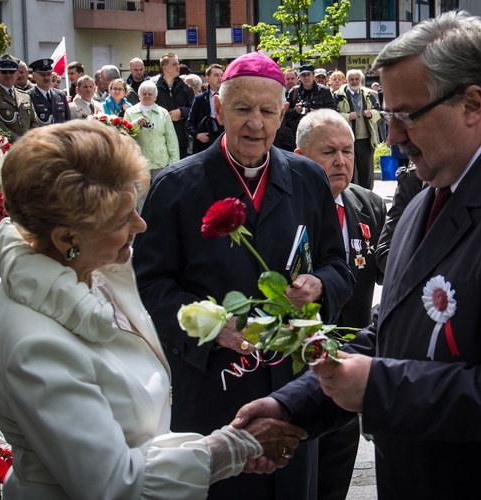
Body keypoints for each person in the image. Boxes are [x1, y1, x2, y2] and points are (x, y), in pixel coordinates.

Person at [233, 11, 481, 499]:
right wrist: (294, 405)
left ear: (472, 103)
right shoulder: (427, 199)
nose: (392, 136)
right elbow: (392, 334)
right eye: (387, 114)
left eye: (405, 115)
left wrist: (378, 388)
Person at [0, 120, 306, 499]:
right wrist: (229, 448)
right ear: (67, 238)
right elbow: (115, 483)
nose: (141, 223)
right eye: (122, 219)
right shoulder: (36, 345)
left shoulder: (91, 272)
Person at [132, 51, 354, 500]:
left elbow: (337, 265)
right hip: (213, 385)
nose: (256, 123)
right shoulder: (175, 187)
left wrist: (320, 286)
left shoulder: (309, 179)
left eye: (267, 111)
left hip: (292, 388)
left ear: (282, 112)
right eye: (242, 109)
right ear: (218, 109)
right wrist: (214, 326)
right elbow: (149, 286)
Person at [295, 109, 386, 500]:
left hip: (348, 375)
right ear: (299, 156)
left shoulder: (368, 204)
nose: (341, 161)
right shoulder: (286, 210)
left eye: (348, 151)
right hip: (294, 373)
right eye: (328, 152)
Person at [334, 69, 381, 190]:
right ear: (347, 80)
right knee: (350, 171)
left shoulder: (369, 94)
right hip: (347, 140)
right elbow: (334, 115)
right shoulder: (338, 95)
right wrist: (347, 116)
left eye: (357, 79)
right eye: (351, 79)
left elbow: (379, 111)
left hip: (366, 139)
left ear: (361, 80)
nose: (354, 82)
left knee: (367, 172)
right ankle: (351, 196)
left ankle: (368, 197)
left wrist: (371, 114)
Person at [124, 80, 179, 182]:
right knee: (141, 197)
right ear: (139, 96)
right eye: (144, 94)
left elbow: (171, 138)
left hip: (160, 162)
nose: (147, 96)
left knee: (161, 195)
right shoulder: (130, 112)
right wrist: (135, 124)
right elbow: (124, 136)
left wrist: (174, 162)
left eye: (150, 94)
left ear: (155, 97)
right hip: (140, 162)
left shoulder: (164, 113)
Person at [0, 54, 39, 142]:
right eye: (4, 72)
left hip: (27, 146)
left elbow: (34, 121)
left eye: (11, 72)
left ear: (16, 73)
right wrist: (18, 141)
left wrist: (29, 140)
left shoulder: (24, 96)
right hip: (5, 148)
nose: (8, 75)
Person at [279, 63, 336, 151]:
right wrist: (295, 110)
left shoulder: (324, 91)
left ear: (313, 75)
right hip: (297, 134)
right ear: (299, 77)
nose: (306, 78)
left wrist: (318, 113)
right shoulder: (293, 92)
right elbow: (284, 114)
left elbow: (333, 112)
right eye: (303, 75)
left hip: (318, 132)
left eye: (308, 75)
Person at [155, 52, 194, 159]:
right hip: (160, 138)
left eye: (178, 64)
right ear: (164, 68)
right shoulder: (154, 88)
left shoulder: (186, 88)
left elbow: (194, 109)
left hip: (180, 137)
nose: (178, 67)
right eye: (174, 64)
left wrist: (181, 111)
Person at [186, 64, 224, 154]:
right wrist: (198, 135)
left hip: (224, 141)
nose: (220, 78)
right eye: (216, 75)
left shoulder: (229, 97)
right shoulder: (200, 99)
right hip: (206, 143)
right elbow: (189, 123)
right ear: (207, 78)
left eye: (221, 75)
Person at [28, 58, 71, 125]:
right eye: (42, 75)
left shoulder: (60, 95)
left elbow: (68, 122)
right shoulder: (28, 96)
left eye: (49, 74)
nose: (46, 78)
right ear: (34, 76)